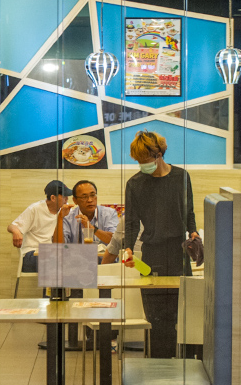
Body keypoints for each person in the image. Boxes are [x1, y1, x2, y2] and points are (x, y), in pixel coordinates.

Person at [120, 131, 198, 358]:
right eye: (139, 161)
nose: (142, 165)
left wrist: (193, 232)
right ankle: (158, 363)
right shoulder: (135, 183)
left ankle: (181, 362)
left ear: (159, 154)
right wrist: (127, 247)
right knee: (155, 315)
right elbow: (132, 222)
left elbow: (189, 211)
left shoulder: (181, 177)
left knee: (179, 313)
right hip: (151, 253)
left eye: (146, 160)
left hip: (178, 252)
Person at [8, 180, 72, 273]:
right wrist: (16, 232)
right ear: (53, 198)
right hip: (31, 255)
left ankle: (57, 288)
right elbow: (11, 226)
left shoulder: (64, 211)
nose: (67, 199)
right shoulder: (35, 208)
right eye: (64, 196)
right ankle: (53, 288)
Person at [52, 180, 119, 247]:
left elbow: (115, 241)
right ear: (75, 200)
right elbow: (58, 247)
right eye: (84, 197)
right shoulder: (68, 218)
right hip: (77, 257)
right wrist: (60, 218)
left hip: (103, 257)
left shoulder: (109, 214)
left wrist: (91, 227)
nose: (90, 200)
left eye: (92, 195)